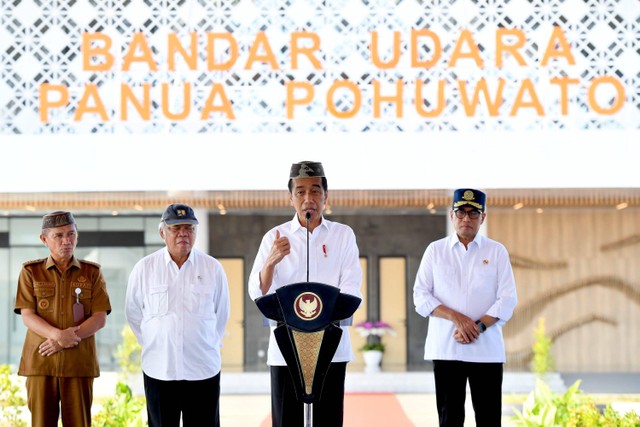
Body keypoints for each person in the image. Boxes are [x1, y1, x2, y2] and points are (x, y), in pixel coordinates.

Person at [248, 161, 362, 427]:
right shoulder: (274, 237)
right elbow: (258, 291)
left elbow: (352, 288)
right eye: (300, 192)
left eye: (315, 191)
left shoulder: (343, 235)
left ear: (326, 196)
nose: (308, 198)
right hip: (285, 348)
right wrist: (271, 261)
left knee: (328, 420)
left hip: (330, 349)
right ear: (290, 198)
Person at [413, 189, 518, 427]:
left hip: (487, 351)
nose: (466, 219)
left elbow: (507, 299)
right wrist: (457, 318)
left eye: (473, 213)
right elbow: (420, 296)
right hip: (446, 349)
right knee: (450, 419)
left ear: (483, 218)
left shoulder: (496, 251)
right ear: (451, 215)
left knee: (489, 419)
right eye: (461, 212)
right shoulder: (435, 250)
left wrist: (478, 326)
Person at [125, 203, 230, 427]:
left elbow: (221, 314)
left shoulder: (212, 268)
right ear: (162, 232)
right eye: (175, 228)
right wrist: (157, 343)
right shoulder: (144, 269)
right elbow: (133, 314)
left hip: (202, 370)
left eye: (189, 228)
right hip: (159, 369)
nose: (183, 233)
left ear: (196, 232)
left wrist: (205, 342)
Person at [14, 211, 111, 427]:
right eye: (58, 235)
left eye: (71, 234)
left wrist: (65, 340)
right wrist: (58, 336)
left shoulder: (92, 273)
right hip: (41, 362)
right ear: (44, 239)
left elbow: (99, 317)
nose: (66, 241)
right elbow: (27, 315)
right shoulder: (31, 272)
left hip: (78, 363)